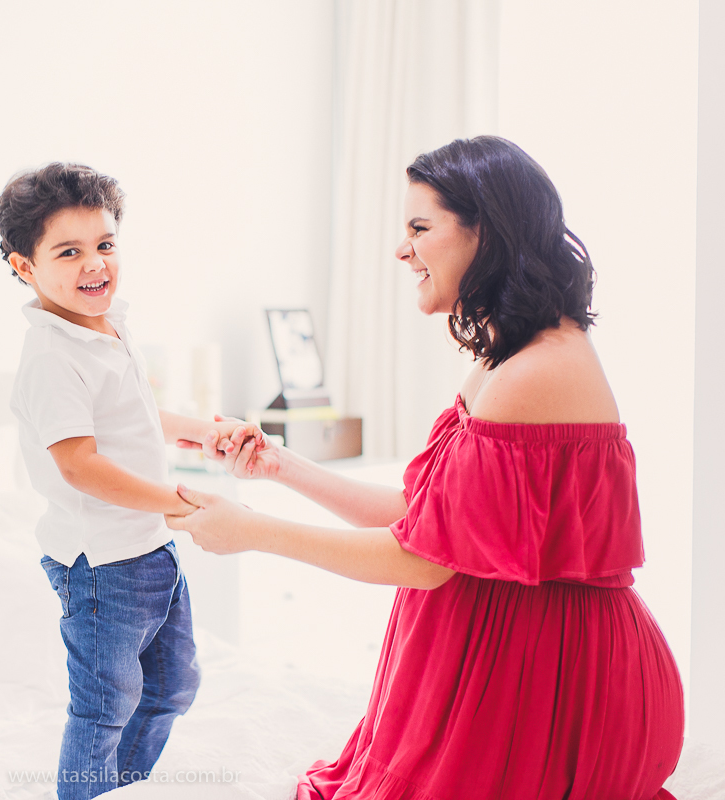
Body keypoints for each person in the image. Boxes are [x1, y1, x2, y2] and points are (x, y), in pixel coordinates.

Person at [167, 137, 685, 799]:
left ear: (486, 235)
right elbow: (429, 520)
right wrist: (280, 467)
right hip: (519, 671)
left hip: (557, 690)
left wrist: (251, 531)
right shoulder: (511, 355)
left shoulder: (534, 372)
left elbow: (422, 560)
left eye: (419, 228)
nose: (401, 250)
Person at [0, 162, 265, 800]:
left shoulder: (108, 327)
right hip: (102, 567)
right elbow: (81, 464)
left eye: (105, 245)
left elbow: (134, 416)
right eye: (70, 251)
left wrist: (202, 432)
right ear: (24, 268)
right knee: (104, 708)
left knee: (174, 686)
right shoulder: (53, 358)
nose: (96, 264)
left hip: (148, 546)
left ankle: (120, 788)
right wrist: (183, 504)